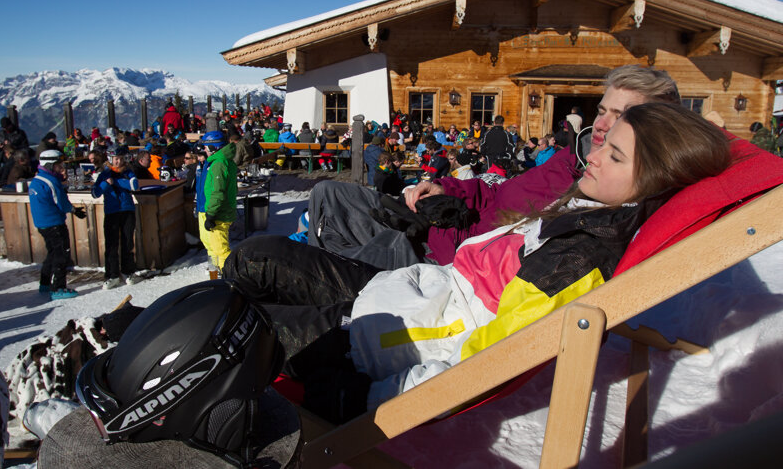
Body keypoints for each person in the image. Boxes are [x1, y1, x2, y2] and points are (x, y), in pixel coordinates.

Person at [224, 102, 732, 423]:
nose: (594, 153)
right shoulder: (584, 204)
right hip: (414, 292)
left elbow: (488, 357)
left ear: (653, 180)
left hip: (389, 339)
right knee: (254, 258)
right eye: (601, 136)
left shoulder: (579, 256)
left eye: (615, 155)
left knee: (232, 335)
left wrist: (370, 398)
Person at [307, 65, 681, 269]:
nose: (602, 124)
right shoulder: (573, 159)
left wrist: (450, 237)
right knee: (328, 192)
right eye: (601, 111)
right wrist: (447, 189)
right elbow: (497, 192)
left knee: (301, 263)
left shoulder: (609, 190)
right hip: (443, 223)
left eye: (621, 116)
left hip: (442, 261)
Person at [28, 150, 87, 300]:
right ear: (50, 165)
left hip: (42, 224)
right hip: (54, 223)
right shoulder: (51, 181)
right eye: (58, 165)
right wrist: (74, 210)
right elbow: (61, 202)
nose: (61, 169)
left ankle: (45, 283)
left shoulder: (37, 179)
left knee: (52, 253)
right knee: (61, 255)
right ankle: (58, 288)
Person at [92, 147, 140, 290]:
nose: (117, 161)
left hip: (127, 209)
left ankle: (128, 271)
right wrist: (106, 183)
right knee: (111, 244)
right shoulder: (104, 174)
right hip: (111, 211)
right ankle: (112, 274)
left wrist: (117, 182)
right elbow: (95, 193)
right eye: (115, 158)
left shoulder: (127, 172)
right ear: (110, 159)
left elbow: (134, 185)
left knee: (127, 242)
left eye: (120, 158)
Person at [196, 131, 237, 272]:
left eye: (207, 148)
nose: (205, 151)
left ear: (214, 148)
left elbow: (217, 193)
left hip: (219, 213)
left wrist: (212, 214)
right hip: (214, 210)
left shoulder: (219, 164)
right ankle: (217, 271)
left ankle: (231, 276)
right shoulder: (218, 162)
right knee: (213, 245)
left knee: (221, 250)